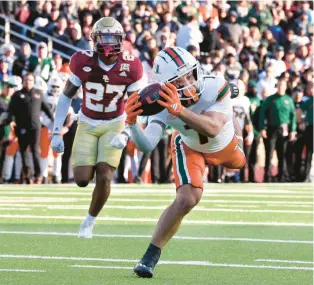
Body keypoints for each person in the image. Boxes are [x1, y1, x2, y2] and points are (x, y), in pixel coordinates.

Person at [111, 47, 246, 277]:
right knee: (188, 198)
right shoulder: (160, 103)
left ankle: (235, 126)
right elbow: (148, 145)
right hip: (189, 146)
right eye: (178, 80)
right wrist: (133, 124)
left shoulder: (215, 86)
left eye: (190, 74)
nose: (188, 82)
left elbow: (213, 129)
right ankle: (149, 257)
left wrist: (180, 111)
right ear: (165, 85)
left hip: (223, 144)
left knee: (239, 162)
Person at [50, 17, 143, 238]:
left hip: (115, 122)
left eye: (114, 37)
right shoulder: (81, 61)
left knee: (104, 174)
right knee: (82, 179)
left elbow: (136, 104)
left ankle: (89, 221)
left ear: (121, 39)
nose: (109, 42)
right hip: (87, 122)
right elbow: (65, 97)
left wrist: (127, 132)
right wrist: (56, 132)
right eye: (105, 36)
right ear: (94, 38)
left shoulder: (131, 66)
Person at [6, 73, 53, 184]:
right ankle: (27, 176)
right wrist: (11, 120)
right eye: (26, 80)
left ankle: (38, 175)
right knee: (23, 152)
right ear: (23, 81)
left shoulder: (38, 93)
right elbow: (11, 110)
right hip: (21, 127)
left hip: (35, 127)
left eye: (30, 80)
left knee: (35, 150)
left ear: (34, 81)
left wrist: (54, 120)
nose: (28, 82)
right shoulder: (17, 94)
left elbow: (46, 109)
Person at [259, 79, 296, 182]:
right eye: (279, 86)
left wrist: (292, 130)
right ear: (276, 86)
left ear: (285, 87)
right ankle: (267, 176)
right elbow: (262, 113)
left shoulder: (289, 100)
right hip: (272, 129)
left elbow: (293, 116)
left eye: (282, 86)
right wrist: (262, 128)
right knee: (269, 153)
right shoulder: (270, 99)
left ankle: (281, 176)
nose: (280, 88)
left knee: (282, 154)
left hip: (284, 130)